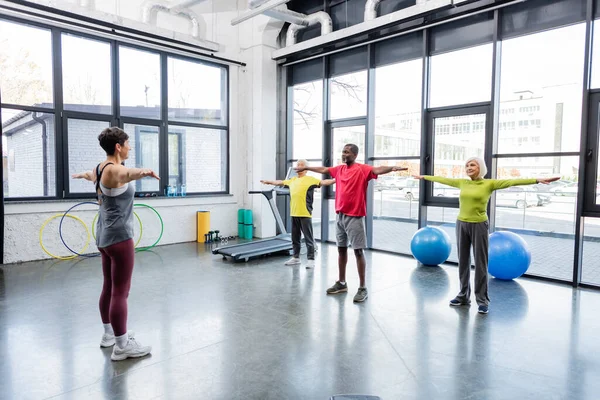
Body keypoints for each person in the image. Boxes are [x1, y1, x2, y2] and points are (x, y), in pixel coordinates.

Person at [413, 157, 559, 314]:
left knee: (481, 263)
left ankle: (482, 300)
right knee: (463, 261)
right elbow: (443, 179)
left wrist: (537, 180)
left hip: (479, 225)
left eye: (472, 165)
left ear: (480, 167)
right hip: (461, 223)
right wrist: (424, 177)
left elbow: (513, 182)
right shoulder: (463, 183)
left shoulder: (489, 184)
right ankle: (463, 296)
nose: (469, 167)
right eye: (467, 165)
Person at [72, 127, 158, 361]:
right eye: (128, 143)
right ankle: (122, 346)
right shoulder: (117, 170)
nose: (130, 147)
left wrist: (82, 175)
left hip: (104, 236)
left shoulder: (100, 168)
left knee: (109, 287)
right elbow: (127, 174)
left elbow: (94, 176)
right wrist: (144, 172)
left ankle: (109, 335)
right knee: (121, 292)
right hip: (120, 238)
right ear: (118, 146)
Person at [296, 144, 408, 302]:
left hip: (354, 216)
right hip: (340, 216)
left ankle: (363, 288)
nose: (344, 154)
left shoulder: (362, 169)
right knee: (341, 250)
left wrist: (392, 168)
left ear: (355, 155)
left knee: (358, 252)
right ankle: (341, 283)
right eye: (343, 152)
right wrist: (307, 167)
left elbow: (377, 169)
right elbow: (324, 169)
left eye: (347, 152)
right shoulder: (340, 169)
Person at [260, 159, 335, 269]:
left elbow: (324, 182)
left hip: (305, 213)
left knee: (308, 238)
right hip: (294, 213)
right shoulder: (292, 180)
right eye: (297, 164)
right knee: (295, 238)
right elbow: (280, 182)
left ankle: (311, 259)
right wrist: (268, 182)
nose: (298, 166)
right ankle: (296, 257)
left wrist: (336, 180)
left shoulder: (310, 179)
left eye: (301, 165)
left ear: (306, 169)